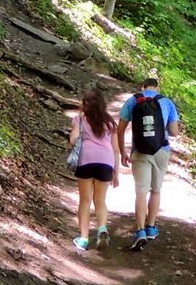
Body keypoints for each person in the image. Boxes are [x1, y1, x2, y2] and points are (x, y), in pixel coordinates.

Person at [117, 76, 179, 250]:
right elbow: (174, 132)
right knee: (156, 190)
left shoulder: (132, 101)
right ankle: (151, 227)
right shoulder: (167, 102)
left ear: (142, 86)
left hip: (140, 151)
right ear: (157, 88)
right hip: (161, 151)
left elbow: (120, 130)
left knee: (141, 192)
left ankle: (140, 231)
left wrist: (123, 152)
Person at [69, 85, 119, 252]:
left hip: (86, 159)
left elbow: (73, 139)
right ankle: (102, 229)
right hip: (106, 161)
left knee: (85, 200)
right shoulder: (110, 122)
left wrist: (74, 136)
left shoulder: (80, 119)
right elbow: (116, 149)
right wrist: (116, 172)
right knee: (100, 200)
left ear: (85, 104)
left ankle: (83, 239)